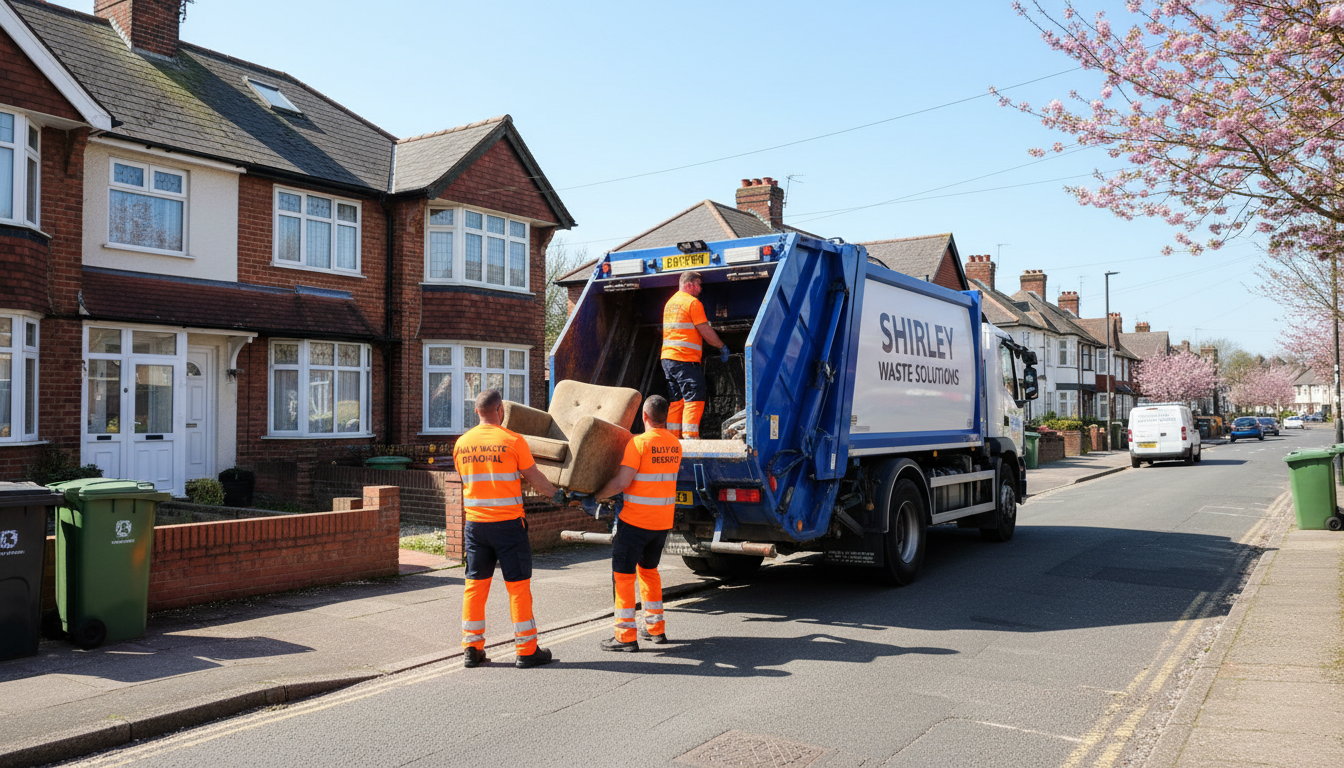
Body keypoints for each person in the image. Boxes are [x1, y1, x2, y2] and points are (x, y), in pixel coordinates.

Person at [452, 388, 561, 669]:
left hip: (475, 526)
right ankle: (526, 651)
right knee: (518, 587)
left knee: (475, 586)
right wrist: (557, 495)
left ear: (476, 412)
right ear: (500, 410)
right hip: (509, 526)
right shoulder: (513, 440)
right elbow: (534, 476)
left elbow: (468, 480)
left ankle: (471, 649)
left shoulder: (461, 444)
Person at [592, 394, 682, 652]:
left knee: (623, 576)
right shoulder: (675, 445)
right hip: (661, 524)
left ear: (644, 416)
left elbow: (621, 483)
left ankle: (625, 636)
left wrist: (597, 495)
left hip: (635, 523)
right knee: (649, 571)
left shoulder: (638, 444)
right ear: (665, 417)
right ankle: (656, 630)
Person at [661, 271, 728, 439]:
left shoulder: (670, 303)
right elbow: (705, 330)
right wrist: (721, 346)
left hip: (668, 359)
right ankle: (691, 437)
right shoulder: (692, 303)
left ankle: (672, 437)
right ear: (689, 284)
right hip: (685, 358)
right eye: (698, 284)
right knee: (695, 395)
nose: (700, 289)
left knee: (677, 400)